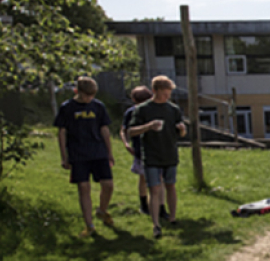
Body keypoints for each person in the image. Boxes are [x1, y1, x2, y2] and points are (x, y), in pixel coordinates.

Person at [54, 76, 116, 238]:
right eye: (86, 95)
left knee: (108, 185)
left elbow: (104, 129)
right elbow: (62, 132)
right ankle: (89, 225)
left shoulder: (98, 106)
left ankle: (102, 211)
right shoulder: (67, 107)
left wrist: (109, 152)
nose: (89, 98)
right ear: (77, 91)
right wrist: (64, 156)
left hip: (98, 151)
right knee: (83, 187)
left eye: (92, 95)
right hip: (78, 152)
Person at [127, 76, 187, 238]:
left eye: (169, 93)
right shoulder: (143, 109)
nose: (167, 96)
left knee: (170, 185)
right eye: (164, 93)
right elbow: (131, 131)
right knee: (154, 189)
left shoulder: (173, 109)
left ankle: (172, 218)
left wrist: (182, 129)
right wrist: (148, 126)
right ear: (154, 91)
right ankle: (156, 225)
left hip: (170, 153)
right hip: (151, 154)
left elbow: (181, 132)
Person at [120, 85, 153, 215]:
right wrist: (126, 144)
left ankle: (156, 204)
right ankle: (144, 204)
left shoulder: (153, 110)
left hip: (155, 147)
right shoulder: (131, 112)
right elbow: (124, 130)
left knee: (156, 178)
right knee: (143, 177)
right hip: (140, 148)